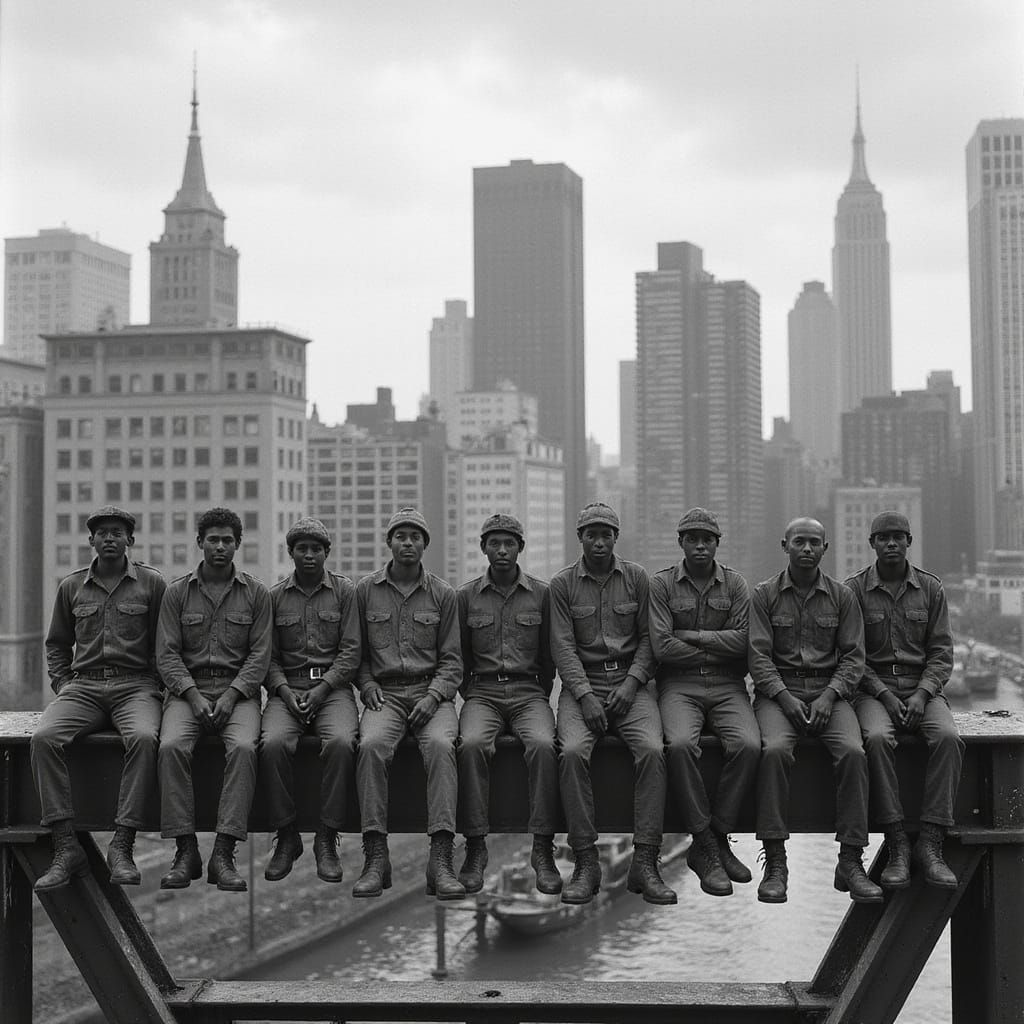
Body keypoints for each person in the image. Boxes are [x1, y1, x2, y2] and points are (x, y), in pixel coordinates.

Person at [31, 506, 166, 891]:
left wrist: (154, 686)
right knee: (44, 739)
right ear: (91, 541)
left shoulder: (152, 584)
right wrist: (62, 684)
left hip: (136, 687)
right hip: (84, 687)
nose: (110, 538)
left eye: (117, 532)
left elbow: (164, 643)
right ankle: (64, 845)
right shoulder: (72, 586)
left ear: (130, 540)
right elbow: (57, 644)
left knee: (143, 739)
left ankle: (123, 845)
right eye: (102, 532)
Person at [748, 517, 882, 905]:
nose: (806, 549)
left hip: (830, 693)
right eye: (799, 542)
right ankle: (775, 861)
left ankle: (851, 859)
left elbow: (854, 657)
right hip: (779, 694)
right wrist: (784, 698)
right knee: (773, 752)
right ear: (785, 545)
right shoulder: (764, 595)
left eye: (814, 543)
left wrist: (829, 696)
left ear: (826, 548)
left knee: (855, 754)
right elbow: (758, 656)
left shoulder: (842, 597)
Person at [550, 501, 676, 906]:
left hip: (631, 684)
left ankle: (646, 859)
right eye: (592, 534)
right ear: (580, 539)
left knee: (654, 751)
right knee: (570, 752)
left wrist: (633, 682)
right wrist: (585, 696)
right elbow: (563, 647)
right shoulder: (563, 584)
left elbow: (649, 640)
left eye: (606, 534)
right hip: (582, 685)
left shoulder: (638, 579)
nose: (599, 542)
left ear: (616, 538)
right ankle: (586, 862)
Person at [845, 511, 964, 890]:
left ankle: (930, 842)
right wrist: (882, 693)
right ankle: (896, 841)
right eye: (883, 537)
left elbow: (942, 652)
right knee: (877, 740)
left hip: (922, 689)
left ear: (909, 541)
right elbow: (851, 655)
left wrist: (922, 694)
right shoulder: (854, 591)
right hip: (872, 691)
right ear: (872, 544)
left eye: (898, 536)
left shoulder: (931, 589)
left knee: (947, 738)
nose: (891, 543)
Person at [156, 507, 271, 892]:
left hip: (238, 694)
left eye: (227, 541)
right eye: (213, 539)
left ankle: (223, 853)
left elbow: (260, 655)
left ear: (238, 545)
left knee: (243, 748)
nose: (220, 547)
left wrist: (232, 696)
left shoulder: (255, 593)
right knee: (171, 746)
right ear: (200, 542)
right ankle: (185, 849)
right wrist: (190, 695)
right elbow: (167, 655)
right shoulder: (176, 593)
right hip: (187, 694)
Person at [352, 508, 464, 900]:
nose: (408, 543)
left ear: (425, 545)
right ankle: (376, 857)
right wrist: (365, 684)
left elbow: (452, 661)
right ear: (390, 542)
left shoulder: (443, 595)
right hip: (385, 695)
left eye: (415, 537)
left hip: (432, 694)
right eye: (401, 536)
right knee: (370, 746)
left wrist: (434, 695)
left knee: (440, 746)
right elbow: (357, 653)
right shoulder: (365, 590)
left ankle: (441, 858)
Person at [649, 507, 759, 897]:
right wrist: (718, 644)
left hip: (729, 686)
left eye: (707, 539)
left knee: (748, 745)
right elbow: (661, 646)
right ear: (680, 543)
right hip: (678, 686)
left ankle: (713, 839)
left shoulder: (736, 585)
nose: (699, 545)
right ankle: (706, 842)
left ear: (717, 544)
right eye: (692, 539)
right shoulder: (661, 585)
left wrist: (693, 637)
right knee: (679, 745)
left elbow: (744, 642)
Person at [456, 513, 561, 895]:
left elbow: (550, 655)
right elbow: (460, 656)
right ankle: (476, 846)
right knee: (470, 745)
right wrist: (472, 694)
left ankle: (542, 847)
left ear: (520, 548)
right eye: (494, 543)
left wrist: (539, 691)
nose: (502, 550)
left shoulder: (542, 594)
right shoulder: (465, 596)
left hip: (529, 692)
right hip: (482, 693)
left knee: (545, 746)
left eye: (509, 543)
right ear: (483, 547)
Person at [259, 517, 361, 883]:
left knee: (341, 742)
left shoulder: (345, 592)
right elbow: (267, 658)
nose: (308, 555)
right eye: (301, 548)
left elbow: (351, 652)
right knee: (270, 744)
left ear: (326, 553)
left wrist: (322, 690)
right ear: (291, 553)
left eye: (316, 549)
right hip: (287, 689)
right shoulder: (273, 597)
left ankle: (326, 836)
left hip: (332, 690)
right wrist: (284, 691)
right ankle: (286, 835)